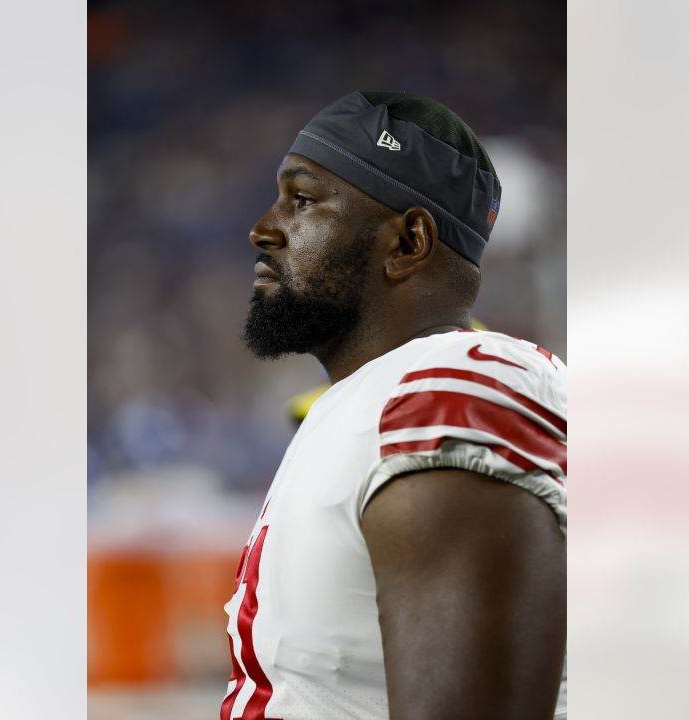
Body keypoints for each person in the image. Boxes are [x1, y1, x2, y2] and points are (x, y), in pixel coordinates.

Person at [222, 91, 567, 720]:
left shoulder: (446, 388)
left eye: (301, 200)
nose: (263, 228)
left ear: (408, 242)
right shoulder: (370, 398)